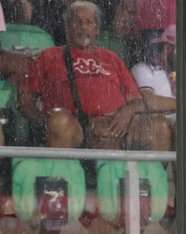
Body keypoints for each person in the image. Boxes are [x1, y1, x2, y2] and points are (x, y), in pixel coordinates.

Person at [18, 1, 173, 150]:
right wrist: (47, 123)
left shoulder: (112, 58)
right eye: (77, 22)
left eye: (89, 22)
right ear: (67, 27)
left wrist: (127, 112)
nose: (83, 27)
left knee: (159, 127)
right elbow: (25, 102)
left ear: (97, 29)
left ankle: (148, 170)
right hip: (76, 127)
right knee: (59, 122)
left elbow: (136, 101)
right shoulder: (48, 56)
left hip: (117, 125)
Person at [130, 25, 176, 130]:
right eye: (168, 48)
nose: (170, 53)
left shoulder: (173, 72)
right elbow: (150, 102)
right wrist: (184, 104)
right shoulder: (142, 69)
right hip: (163, 122)